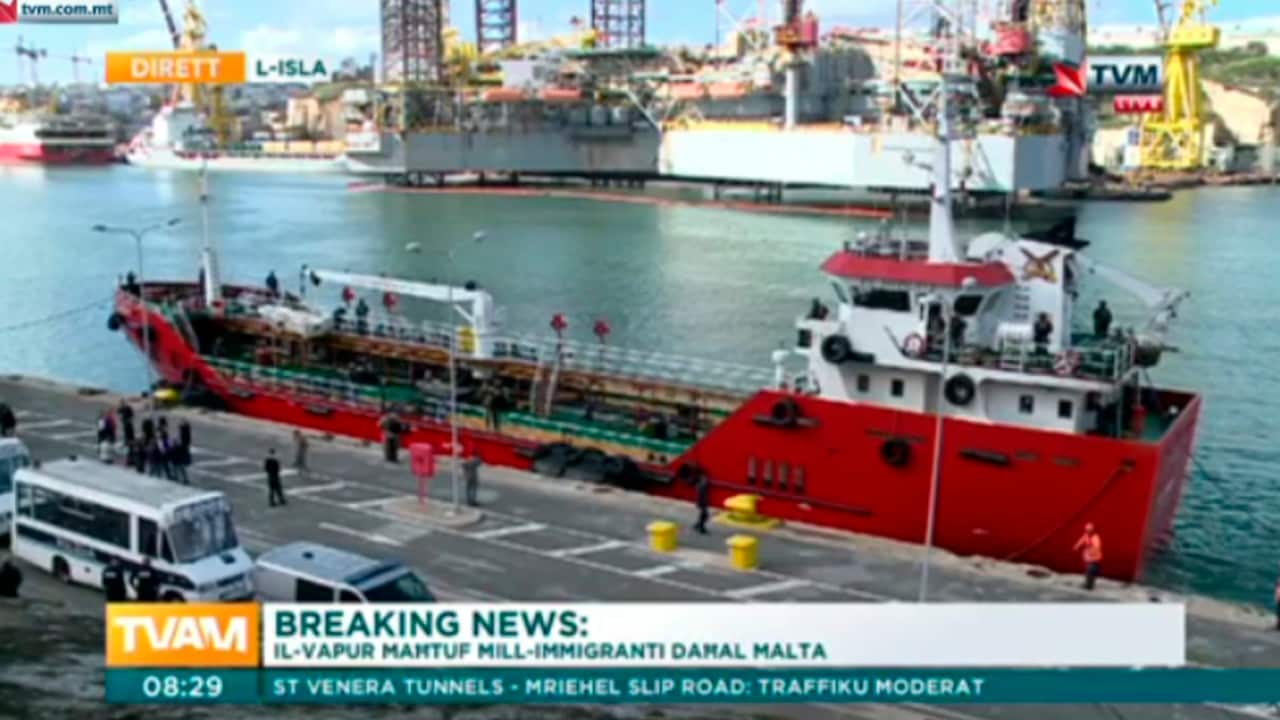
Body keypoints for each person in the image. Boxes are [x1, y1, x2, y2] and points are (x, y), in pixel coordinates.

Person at [1073, 523, 1103, 590]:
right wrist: (1076, 546)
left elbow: (1097, 547)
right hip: (1089, 557)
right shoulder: (1086, 535)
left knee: (1091, 571)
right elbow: (1081, 541)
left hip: (1095, 558)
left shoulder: (1095, 537)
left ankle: (1089, 585)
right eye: (1087, 530)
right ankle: (1088, 584)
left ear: (1092, 530)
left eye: (1089, 530)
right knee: (1089, 571)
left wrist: (1091, 552)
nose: (1088, 531)